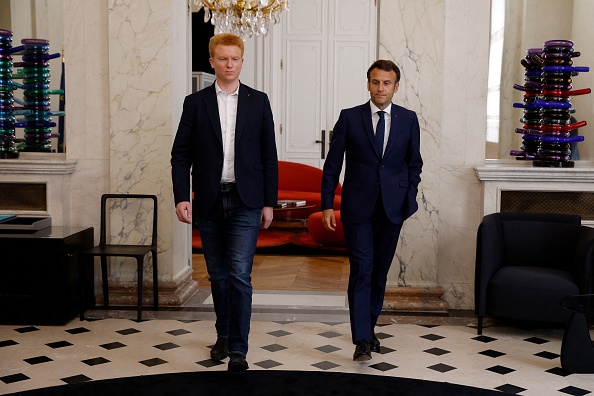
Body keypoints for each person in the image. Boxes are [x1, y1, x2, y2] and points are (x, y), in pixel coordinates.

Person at [171, 33, 278, 373]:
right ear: (212, 61)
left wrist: (269, 202)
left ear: (242, 62)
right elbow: (180, 155)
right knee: (217, 276)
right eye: (223, 59)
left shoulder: (258, 101)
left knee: (239, 275)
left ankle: (238, 350)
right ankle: (223, 333)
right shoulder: (195, 103)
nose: (229, 64)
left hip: (247, 200)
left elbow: (269, 156)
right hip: (210, 200)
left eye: (235, 59)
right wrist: (181, 196)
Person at [321, 60, 423, 361]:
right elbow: (332, 164)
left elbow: (414, 163)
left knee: (379, 273)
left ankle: (370, 327)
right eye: (375, 82)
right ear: (368, 84)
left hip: (393, 209)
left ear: (396, 87)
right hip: (357, 208)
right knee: (362, 271)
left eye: (386, 83)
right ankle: (362, 339)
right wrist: (327, 202)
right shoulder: (350, 118)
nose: (381, 88)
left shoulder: (408, 119)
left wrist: (409, 195)